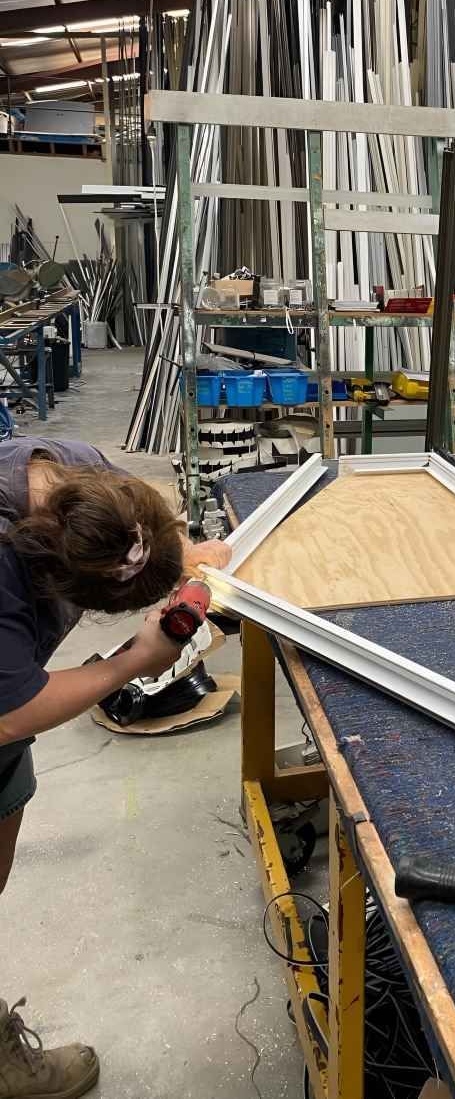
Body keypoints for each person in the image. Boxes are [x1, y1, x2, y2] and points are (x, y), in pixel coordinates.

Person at [0, 438, 230, 1099]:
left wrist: (188, 561)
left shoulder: (79, 469)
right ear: (56, 582)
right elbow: (10, 715)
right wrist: (128, 662)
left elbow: (148, 533)